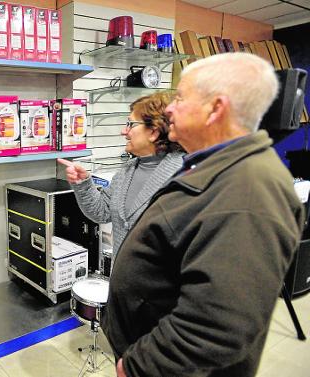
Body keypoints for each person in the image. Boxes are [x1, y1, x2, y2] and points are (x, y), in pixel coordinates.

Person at [104, 52, 306, 377]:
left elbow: (217, 325)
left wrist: (138, 366)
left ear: (216, 108)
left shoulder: (249, 190)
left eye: (181, 97)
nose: (169, 108)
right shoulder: (215, 168)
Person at [59, 91, 184, 262]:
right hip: (123, 282)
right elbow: (102, 212)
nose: (123, 131)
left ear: (154, 131)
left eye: (130, 124)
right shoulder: (128, 170)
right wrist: (83, 183)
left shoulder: (183, 174)